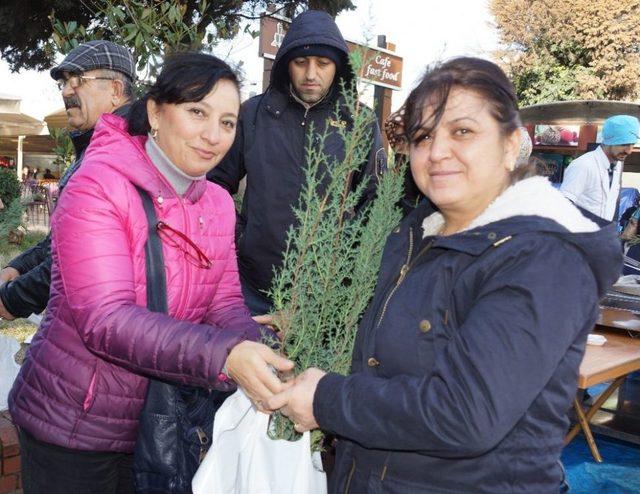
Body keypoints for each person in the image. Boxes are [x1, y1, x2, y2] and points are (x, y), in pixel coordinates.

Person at [265, 57, 622, 493]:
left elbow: (466, 413)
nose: (436, 152)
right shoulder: (421, 232)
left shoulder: (543, 257)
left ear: (512, 144)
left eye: (463, 131)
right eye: (423, 136)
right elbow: (396, 349)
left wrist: (325, 400)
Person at [9, 52, 293, 494]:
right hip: (73, 427)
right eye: (197, 112)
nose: (213, 135)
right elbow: (105, 320)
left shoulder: (217, 203)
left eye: (228, 122)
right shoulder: (99, 183)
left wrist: (262, 353)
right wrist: (224, 357)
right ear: (156, 113)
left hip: (157, 425)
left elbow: (226, 305)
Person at [208, 9, 386, 315]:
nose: (311, 74)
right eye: (300, 62)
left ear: (338, 67)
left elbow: (376, 201)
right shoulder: (253, 114)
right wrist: (239, 238)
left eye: (323, 63)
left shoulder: (360, 121)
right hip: (253, 286)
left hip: (328, 295)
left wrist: (349, 258)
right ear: (286, 64)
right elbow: (215, 185)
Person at [0, 40, 136, 320]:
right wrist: (18, 267)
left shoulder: (122, 152)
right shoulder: (98, 146)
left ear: (115, 90)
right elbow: (63, 237)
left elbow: (79, 257)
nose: (65, 91)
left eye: (77, 80)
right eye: (63, 82)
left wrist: (14, 299)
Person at [561, 114, 640, 221]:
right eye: (624, 144)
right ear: (610, 140)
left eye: (632, 144)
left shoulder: (617, 165)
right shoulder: (584, 165)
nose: (629, 151)